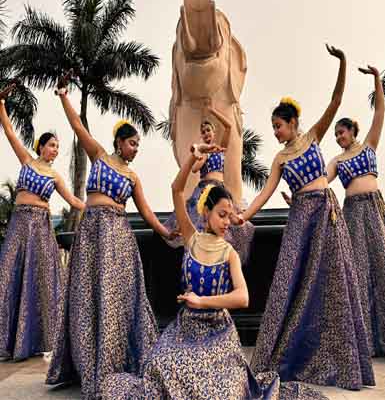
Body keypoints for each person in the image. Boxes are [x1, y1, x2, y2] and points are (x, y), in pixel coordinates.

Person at [102, 143, 328, 400]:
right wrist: (192, 156)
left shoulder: (229, 252)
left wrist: (202, 301)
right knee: (160, 369)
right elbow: (176, 190)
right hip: (185, 330)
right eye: (222, 215)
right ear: (206, 212)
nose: (226, 222)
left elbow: (243, 298)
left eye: (230, 216)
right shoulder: (191, 238)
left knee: (224, 392)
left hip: (218, 330)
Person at [238, 45, 374, 389]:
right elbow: (264, 192)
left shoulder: (313, 136)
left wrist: (342, 62)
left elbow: (336, 100)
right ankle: (277, 355)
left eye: (278, 126)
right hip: (301, 215)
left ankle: (340, 361)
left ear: (293, 123)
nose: (275, 132)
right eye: (273, 127)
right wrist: (244, 216)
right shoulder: (280, 158)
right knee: (289, 280)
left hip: (326, 212)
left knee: (335, 281)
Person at [46, 75, 175, 400]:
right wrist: (64, 95)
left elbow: (146, 212)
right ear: (120, 142)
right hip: (91, 233)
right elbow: (77, 127)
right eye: (132, 144)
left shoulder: (133, 176)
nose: (135, 150)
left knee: (114, 298)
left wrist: (165, 232)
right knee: (86, 296)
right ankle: (85, 365)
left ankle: (113, 363)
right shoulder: (99, 155)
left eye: (138, 146)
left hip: (117, 238)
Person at [0, 84, 84, 361]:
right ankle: (6, 342)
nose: (55, 150)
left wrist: (100, 205)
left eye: (58, 147)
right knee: (7, 275)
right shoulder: (26, 161)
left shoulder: (56, 176)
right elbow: (10, 132)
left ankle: (40, 342)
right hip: (18, 223)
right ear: (41, 146)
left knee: (41, 282)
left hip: (40, 228)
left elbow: (73, 201)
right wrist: (1, 103)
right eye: (51, 145)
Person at [326, 65, 385, 357]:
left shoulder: (369, 146)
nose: (338, 137)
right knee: (358, 271)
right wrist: (300, 196)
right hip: (352, 213)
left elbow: (379, 114)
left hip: (373, 209)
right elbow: (322, 180)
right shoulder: (337, 159)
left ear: (352, 131)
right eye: (336, 134)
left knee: (382, 266)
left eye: (341, 132)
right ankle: (364, 343)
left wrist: (376, 79)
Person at [164, 102, 255, 264]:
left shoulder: (221, 148)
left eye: (208, 130)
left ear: (214, 132)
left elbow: (228, 127)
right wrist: (201, 152)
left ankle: (222, 259)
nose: (206, 133)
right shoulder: (205, 153)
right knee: (201, 225)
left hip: (220, 190)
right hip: (205, 190)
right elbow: (195, 170)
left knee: (230, 222)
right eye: (203, 132)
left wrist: (213, 110)